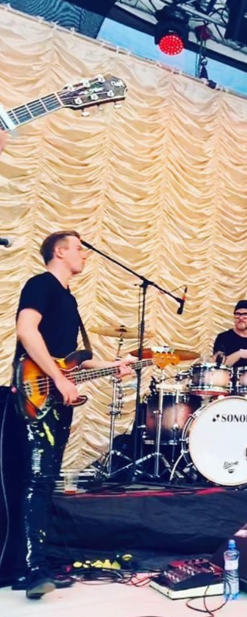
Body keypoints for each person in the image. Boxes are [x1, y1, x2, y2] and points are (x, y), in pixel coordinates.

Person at [13, 230, 133, 599]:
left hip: (55, 393)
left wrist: (113, 366)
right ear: (60, 252)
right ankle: (32, 569)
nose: (85, 254)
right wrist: (58, 379)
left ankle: (35, 564)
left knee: (46, 479)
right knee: (37, 479)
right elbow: (26, 331)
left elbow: (73, 359)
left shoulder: (69, 297)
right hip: (38, 391)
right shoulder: (41, 284)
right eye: (79, 249)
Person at [212, 299, 247, 368]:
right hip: (228, 375)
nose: (240, 318)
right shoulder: (223, 337)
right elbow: (218, 365)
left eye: (245, 315)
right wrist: (240, 354)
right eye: (237, 314)